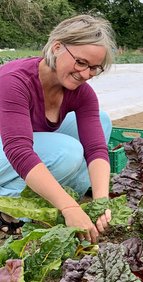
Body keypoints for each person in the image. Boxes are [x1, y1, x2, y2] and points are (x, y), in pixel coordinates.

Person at [0, 15, 116, 243]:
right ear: (57, 47)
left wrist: (102, 203)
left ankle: (46, 198)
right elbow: (19, 151)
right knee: (68, 152)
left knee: (102, 122)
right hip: (7, 148)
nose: (85, 74)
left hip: (14, 153)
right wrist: (69, 206)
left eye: (94, 68)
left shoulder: (81, 93)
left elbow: (96, 149)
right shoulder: (14, 81)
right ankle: (8, 205)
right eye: (81, 62)